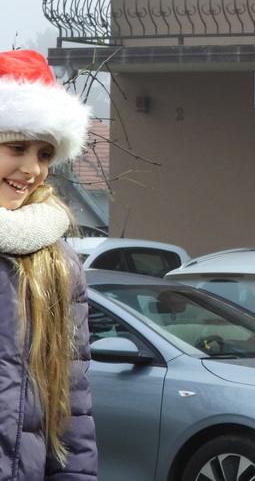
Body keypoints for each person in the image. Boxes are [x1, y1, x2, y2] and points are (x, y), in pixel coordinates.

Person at [0, 49, 97, 481]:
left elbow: (72, 405)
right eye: (17, 147)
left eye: (44, 154)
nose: (31, 168)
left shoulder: (55, 259)